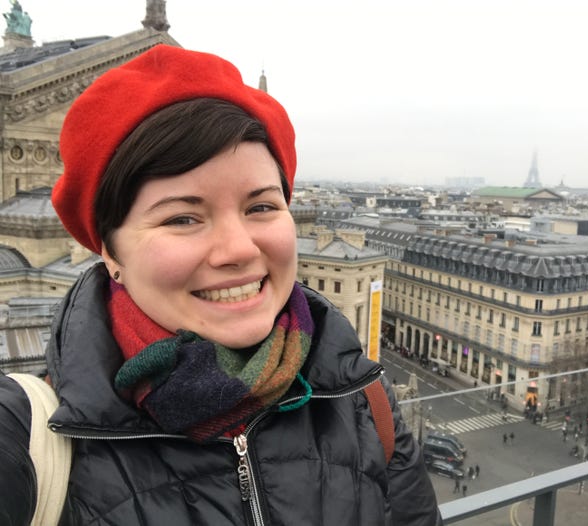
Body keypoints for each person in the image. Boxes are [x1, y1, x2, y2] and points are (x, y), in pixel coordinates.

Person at [0, 45, 442, 526]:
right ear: (109, 251)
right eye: (183, 217)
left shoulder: (362, 397)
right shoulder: (24, 434)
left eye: (261, 207)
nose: (239, 249)